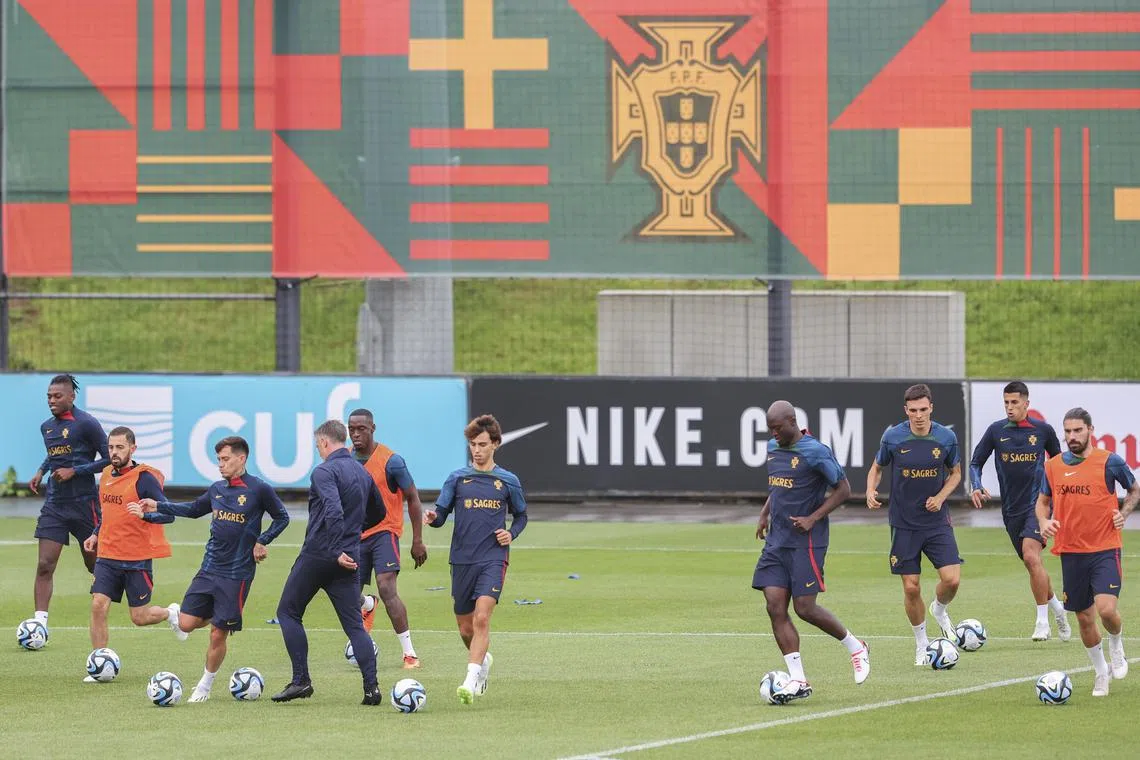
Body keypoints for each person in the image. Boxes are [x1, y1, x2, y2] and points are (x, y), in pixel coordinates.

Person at [128, 436, 290, 702]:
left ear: (242, 458)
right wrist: (155, 506)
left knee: (218, 633)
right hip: (209, 568)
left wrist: (262, 541)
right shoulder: (216, 489)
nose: (221, 465)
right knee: (185, 624)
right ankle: (173, 613)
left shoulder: (259, 489)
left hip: (236, 575)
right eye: (218, 460)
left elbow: (282, 517)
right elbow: (193, 510)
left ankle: (204, 684)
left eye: (225, 459)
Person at [754, 401, 869, 701]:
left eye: (778, 428)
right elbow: (778, 486)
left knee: (804, 608)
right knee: (774, 605)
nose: (774, 434)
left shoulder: (816, 451)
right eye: (770, 429)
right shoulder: (772, 448)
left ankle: (856, 647)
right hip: (777, 541)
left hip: (807, 541)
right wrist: (765, 513)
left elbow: (844, 489)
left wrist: (813, 518)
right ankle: (798, 679)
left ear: (792, 421)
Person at [272, 420, 386, 705]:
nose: (318, 451)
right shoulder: (362, 472)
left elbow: (333, 510)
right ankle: (371, 689)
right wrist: (351, 536)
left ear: (324, 442)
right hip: (350, 557)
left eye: (317, 446)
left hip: (320, 554)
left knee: (288, 612)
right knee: (354, 627)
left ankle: (301, 681)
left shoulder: (324, 471)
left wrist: (335, 548)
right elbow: (379, 512)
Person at [425, 414, 528, 705]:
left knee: (482, 618)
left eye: (482, 444)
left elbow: (521, 515)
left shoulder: (508, 481)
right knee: (465, 628)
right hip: (461, 560)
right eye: (473, 444)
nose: (477, 450)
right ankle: (482, 661)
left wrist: (511, 534)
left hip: (493, 559)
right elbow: (441, 515)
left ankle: (470, 681)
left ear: (495, 444)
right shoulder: (457, 478)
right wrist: (433, 519)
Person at [1037, 407, 1140, 697]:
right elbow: (1042, 501)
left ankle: (1117, 643)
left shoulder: (1109, 462)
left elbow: (1134, 490)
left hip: (1105, 548)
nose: (1072, 436)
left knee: (1106, 610)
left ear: (1090, 430)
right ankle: (1100, 673)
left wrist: (1124, 513)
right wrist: (1044, 521)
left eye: (1077, 430)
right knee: (1084, 618)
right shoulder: (1053, 465)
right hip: (1070, 551)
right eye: (1067, 431)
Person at [866, 384, 965, 666]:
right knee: (911, 588)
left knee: (952, 579)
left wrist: (941, 497)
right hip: (904, 523)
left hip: (936, 522)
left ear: (931, 407)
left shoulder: (946, 438)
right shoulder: (893, 437)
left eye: (923, 409)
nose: (918, 415)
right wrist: (871, 490)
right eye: (913, 411)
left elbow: (955, 474)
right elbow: (877, 467)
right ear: (905, 411)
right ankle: (922, 644)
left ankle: (940, 609)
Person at [969, 380, 1069, 641]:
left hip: (1037, 507)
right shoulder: (995, 431)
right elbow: (975, 462)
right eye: (1006, 402)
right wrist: (976, 485)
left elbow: (1059, 467)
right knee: (1031, 563)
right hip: (1010, 510)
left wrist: (1056, 505)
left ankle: (1041, 623)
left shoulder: (1043, 431)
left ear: (1027, 403)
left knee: (1031, 556)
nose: (1010, 407)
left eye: (1014, 402)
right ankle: (1058, 608)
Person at [83, 426, 185, 680]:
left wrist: (145, 515)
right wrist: (96, 533)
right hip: (107, 555)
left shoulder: (144, 479)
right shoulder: (105, 474)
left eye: (120, 447)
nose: (114, 452)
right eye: (110, 447)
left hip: (136, 559)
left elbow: (169, 514)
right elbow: (108, 513)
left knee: (139, 617)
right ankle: (100, 665)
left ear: (133, 448)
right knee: (98, 604)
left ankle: (170, 613)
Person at [29, 373, 109, 636]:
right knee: (45, 564)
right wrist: (42, 470)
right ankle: (39, 624)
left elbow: (110, 459)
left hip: (85, 504)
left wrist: (77, 470)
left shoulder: (87, 424)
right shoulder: (46, 427)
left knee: (93, 565)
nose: (51, 401)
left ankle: (110, 603)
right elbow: (55, 454)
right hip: (55, 504)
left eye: (57, 396)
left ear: (71, 397)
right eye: (49, 397)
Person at [347, 408, 428, 669]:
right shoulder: (345, 460)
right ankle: (368, 605)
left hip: (385, 532)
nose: (356, 434)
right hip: (355, 537)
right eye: (352, 429)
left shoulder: (391, 461)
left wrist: (418, 540)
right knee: (345, 594)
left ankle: (409, 653)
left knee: (386, 587)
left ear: (373, 429)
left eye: (361, 429)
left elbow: (413, 498)